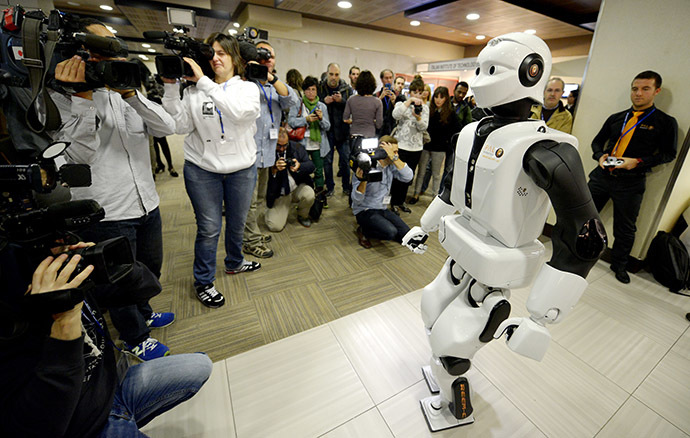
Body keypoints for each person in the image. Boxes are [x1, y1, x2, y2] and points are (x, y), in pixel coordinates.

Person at [52, 18, 176, 360]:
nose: (108, 57)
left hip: (146, 202)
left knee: (149, 268)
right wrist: (83, 98)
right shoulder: (62, 96)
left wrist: (131, 95)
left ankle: (144, 312)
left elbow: (166, 126)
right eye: (98, 50)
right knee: (118, 281)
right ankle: (134, 335)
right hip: (108, 210)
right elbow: (79, 156)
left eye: (112, 48)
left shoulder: (123, 89)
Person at [0, 244, 212, 438]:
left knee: (199, 365)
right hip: (81, 424)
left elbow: (149, 288)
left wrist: (119, 267)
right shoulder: (14, 306)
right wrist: (64, 322)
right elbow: (34, 427)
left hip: (110, 388)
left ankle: (125, 420)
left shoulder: (61, 266)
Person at [161, 32, 261, 307]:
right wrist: (171, 89)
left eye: (222, 53)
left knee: (238, 223)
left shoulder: (247, 89)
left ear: (235, 58)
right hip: (202, 169)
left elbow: (239, 114)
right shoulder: (194, 91)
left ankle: (234, 262)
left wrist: (205, 83)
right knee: (209, 227)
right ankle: (204, 281)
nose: (215, 58)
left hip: (241, 169)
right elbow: (180, 127)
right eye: (212, 54)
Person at [587, 70, 678, 283]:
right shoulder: (617, 117)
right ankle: (576, 251)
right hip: (602, 176)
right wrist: (600, 156)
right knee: (585, 216)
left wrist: (637, 162)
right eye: (635, 88)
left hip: (631, 182)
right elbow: (597, 143)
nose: (638, 93)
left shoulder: (665, 122)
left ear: (657, 91)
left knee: (625, 228)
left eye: (645, 89)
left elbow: (669, 154)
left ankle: (619, 266)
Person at [243, 40, 300, 259]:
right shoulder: (245, 83)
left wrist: (271, 78)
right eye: (262, 55)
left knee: (258, 199)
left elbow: (292, 100)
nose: (267, 58)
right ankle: (250, 240)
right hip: (248, 153)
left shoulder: (274, 85)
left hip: (268, 153)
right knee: (247, 202)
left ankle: (252, 232)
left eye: (271, 56)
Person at [352, 136, 413, 248]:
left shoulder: (391, 166)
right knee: (391, 232)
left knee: (406, 235)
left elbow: (408, 177)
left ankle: (381, 226)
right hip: (365, 210)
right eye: (393, 152)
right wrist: (363, 180)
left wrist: (394, 158)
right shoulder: (366, 165)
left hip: (383, 208)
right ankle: (363, 230)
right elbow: (356, 200)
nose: (396, 155)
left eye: (396, 152)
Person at [410, 86, 461, 204]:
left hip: (440, 148)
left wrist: (447, 142)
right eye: (436, 97)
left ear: (446, 98)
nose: (438, 100)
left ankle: (435, 197)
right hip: (426, 146)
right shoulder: (428, 109)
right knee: (421, 172)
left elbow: (456, 129)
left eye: (441, 97)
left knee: (436, 174)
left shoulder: (450, 113)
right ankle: (416, 194)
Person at [389, 76, 429, 214]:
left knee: (408, 176)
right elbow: (395, 115)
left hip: (416, 148)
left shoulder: (425, 108)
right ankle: (393, 202)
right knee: (397, 175)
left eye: (419, 92)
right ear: (410, 92)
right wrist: (409, 102)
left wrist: (418, 117)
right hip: (401, 145)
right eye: (414, 92)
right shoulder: (402, 104)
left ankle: (401, 202)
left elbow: (424, 128)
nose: (417, 95)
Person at [265, 127, 316, 231]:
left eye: (285, 145)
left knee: (309, 194)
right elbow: (265, 185)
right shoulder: (267, 152)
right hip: (279, 193)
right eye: (278, 146)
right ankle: (276, 210)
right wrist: (273, 170)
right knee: (274, 226)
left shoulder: (296, 147)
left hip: (296, 187)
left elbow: (311, 166)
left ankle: (302, 215)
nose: (282, 149)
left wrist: (300, 165)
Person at [288, 76, 331, 194]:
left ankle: (320, 196)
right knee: (302, 169)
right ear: (303, 91)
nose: (311, 92)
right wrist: (305, 119)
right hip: (302, 143)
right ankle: (304, 193)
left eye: (313, 89)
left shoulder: (322, 106)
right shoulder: (298, 104)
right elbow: (291, 122)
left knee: (318, 170)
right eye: (308, 90)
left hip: (318, 144)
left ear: (317, 91)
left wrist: (321, 119)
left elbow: (327, 126)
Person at [319, 63, 353, 196]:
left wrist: (341, 101)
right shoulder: (320, 88)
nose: (334, 77)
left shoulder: (346, 89)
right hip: (326, 131)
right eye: (331, 74)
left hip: (342, 131)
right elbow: (314, 102)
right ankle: (330, 187)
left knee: (345, 161)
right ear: (327, 73)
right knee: (327, 162)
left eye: (337, 74)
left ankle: (346, 187)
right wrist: (323, 101)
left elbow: (351, 108)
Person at [376, 69, 406, 136]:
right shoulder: (376, 95)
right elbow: (372, 110)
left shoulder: (399, 97)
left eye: (390, 78)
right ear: (381, 79)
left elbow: (402, 113)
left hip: (393, 128)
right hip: (379, 129)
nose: (389, 80)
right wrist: (380, 98)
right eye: (386, 78)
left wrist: (394, 102)